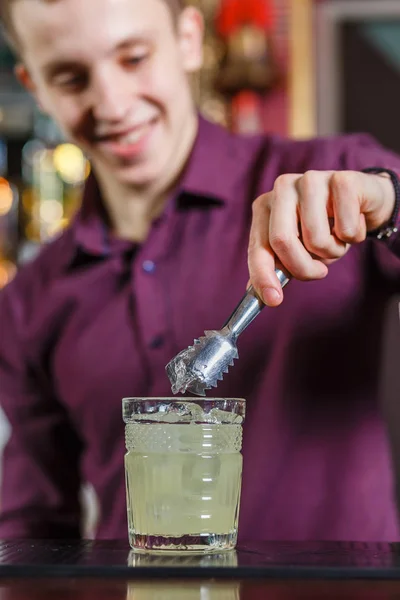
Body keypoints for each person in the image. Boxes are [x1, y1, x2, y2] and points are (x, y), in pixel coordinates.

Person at [0, 0, 400, 543]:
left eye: (134, 57)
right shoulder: (28, 301)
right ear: (35, 85)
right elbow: (32, 530)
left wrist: (385, 202)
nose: (112, 104)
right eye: (70, 77)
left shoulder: (332, 180)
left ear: (189, 38)